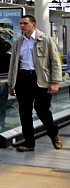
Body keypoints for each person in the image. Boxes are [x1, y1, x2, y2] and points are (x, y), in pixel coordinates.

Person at [8, 15, 63, 152]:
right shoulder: (17, 42)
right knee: (24, 112)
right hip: (22, 79)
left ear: (34, 24)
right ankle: (29, 143)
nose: (22, 26)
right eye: (20, 23)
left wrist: (55, 81)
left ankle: (54, 134)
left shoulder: (45, 40)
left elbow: (55, 62)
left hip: (40, 79)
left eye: (25, 23)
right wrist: (11, 84)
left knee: (42, 110)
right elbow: (13, 64)